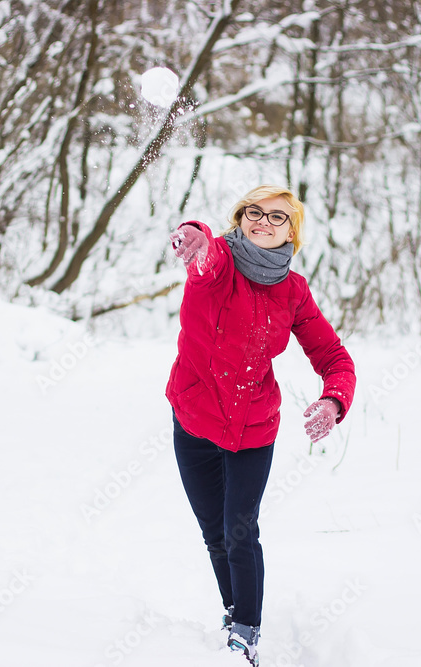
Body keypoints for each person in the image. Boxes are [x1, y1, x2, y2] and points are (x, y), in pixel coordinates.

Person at [166, 185, 357, 665]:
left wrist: (334, 400)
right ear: (240, 217)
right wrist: (196, 239)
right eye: (255, 212)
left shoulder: (293, 290)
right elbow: (205, 257)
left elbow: (334, 356)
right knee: (213, 532)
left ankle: (246, 634)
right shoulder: (219, 265)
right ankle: (233, 613)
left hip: (253, 427)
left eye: (277, 217)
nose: (263, 222)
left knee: (239, 531)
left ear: (292, 231)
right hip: (193, 421)